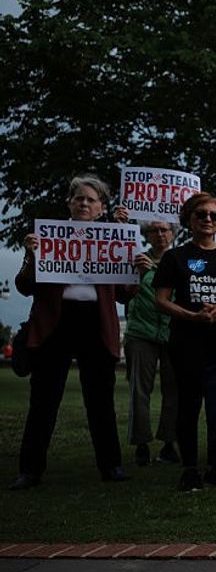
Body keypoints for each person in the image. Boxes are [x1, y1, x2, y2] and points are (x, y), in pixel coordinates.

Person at [10, 176, 131, 490]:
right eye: (79, 198)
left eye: (92, 200)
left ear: (102, 207)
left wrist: (137, 265)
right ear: (69, 203)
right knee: (44, 399)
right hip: (56, 323)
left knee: (100, 398)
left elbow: (126, 292)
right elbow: (24, 286)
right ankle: (30, 470)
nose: (85, 204)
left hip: (96, 323)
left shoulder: (111, 240)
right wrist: (31, 255)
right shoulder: (48, 237)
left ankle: (111, 465)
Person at [154, 193, 216, 491]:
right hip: (186, 340)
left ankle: (214, 468)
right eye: (201, 214)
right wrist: (189, 314)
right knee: (189, 404)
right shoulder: (176, 257)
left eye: (214, 215)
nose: (208, 220)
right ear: (189, 219)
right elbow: (160, 300)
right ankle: (189, 469)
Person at [123, 221, 180, 467]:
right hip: (141, 332)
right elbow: (123, 292)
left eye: (164, 229)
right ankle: (141, 445)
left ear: (173, 233)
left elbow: (185, 294)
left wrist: (155, 270)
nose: (159, 234)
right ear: (146, 235)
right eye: (154, 230)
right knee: (139, 389)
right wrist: (139, 273)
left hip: (173, 331)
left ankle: (169, 443)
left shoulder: (180, 260)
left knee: (174, 389)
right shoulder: (135, 260)